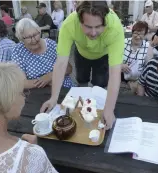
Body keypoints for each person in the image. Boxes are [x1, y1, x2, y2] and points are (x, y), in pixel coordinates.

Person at [40, 1, 125, 129]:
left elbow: (115, 73)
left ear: (105, 20)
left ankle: (98, 106)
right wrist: (53, 98)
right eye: (88, 27)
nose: (93, 32)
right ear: (79, 21)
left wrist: (109, 110)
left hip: (103, 55)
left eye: (98, 26)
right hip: (81, 53)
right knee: (81, 79)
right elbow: (61, 63)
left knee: (100, 83)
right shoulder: (69, 24)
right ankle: (83, 105)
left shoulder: (115, 28)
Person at [0, 63, 58, 173]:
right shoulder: (30, 156)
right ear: (6, 101)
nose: (24, 97)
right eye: (21, 92)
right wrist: (31, 155)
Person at [11, 18, 75, 89]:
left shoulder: (51, 45)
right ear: (21, 39)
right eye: (28, 37)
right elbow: (22, 83)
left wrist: (51, 76)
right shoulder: (18, 51)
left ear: (39, 31)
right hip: (39, 93)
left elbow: (68, 68)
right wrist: (44, 82)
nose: (34, 40)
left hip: (64, 87)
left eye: (35, 35)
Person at [122, 21, 152, 93]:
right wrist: (121, 65)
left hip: (138, 80)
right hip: (121, 76)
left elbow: (148, 69)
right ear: (132, 33)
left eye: (141, 34)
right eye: (135, 33)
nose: (137, 36)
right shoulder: (123, 42)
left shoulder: (148, 47)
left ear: (145, 35)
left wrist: (138, 82)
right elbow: (113, 59)